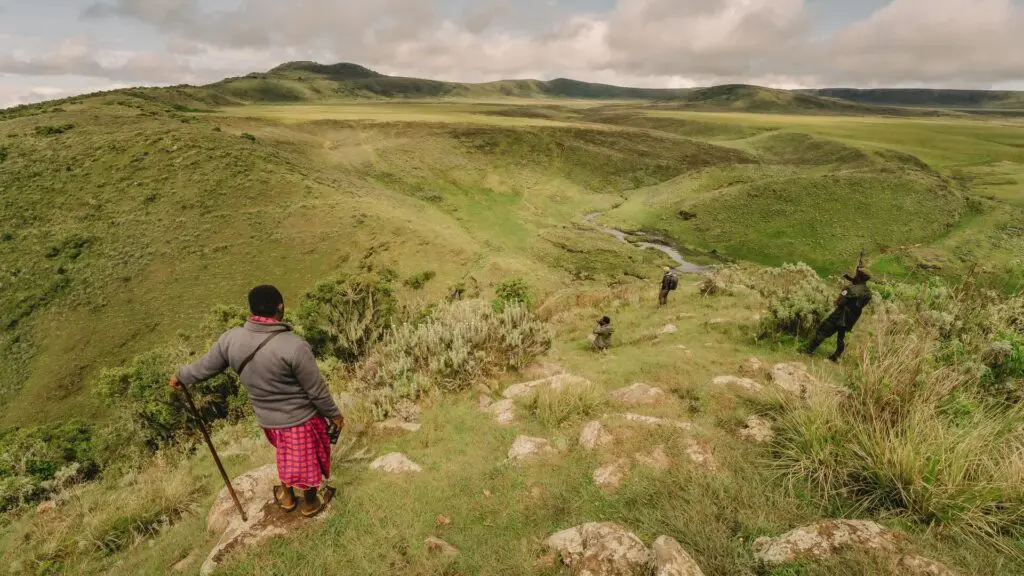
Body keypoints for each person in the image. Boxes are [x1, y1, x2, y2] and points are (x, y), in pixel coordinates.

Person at [169, 285, 344, 518]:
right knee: (307, 460)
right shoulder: (294, 346)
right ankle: (310, 504)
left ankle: (287, 497)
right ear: (280, 307)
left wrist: (180, 375)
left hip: (268, 421)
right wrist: (335, 414)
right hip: (300, 420)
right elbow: (316, 391)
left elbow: (203, 368)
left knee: (286, 453)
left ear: (252, 310)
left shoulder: (231, 339)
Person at [804, 267, 873, 362]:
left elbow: (840, 302)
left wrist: (842, 293)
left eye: (856, 274)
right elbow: (859, 292)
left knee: (823, 330)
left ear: (859, 276)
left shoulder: (850, 289)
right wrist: (850, 279)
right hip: (851, 319)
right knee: (841, 337)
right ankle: (836, 356)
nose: (855, 275)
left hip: (840, 315)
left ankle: (808, 350)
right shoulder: (868, 293)